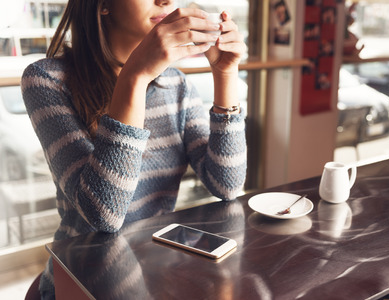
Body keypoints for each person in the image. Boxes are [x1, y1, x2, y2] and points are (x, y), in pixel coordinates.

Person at [21, 0, 247, 298]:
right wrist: (135, 75)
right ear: (103, 5)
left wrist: (225, 74)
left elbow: (227, 184)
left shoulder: (176, 86)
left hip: (154, 272)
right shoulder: (47, 80)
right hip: (80, 281)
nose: (165, 0)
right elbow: (104, 215)